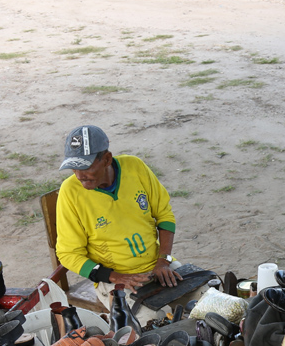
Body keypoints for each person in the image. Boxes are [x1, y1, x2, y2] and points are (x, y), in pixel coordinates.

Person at [54, 124, 188, 323]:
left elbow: (164, 215)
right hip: (114, 279)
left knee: (207, 298)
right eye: (74, 167)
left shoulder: (134, 167)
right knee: (154, 322)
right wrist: (116, 277)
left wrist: (164, 261)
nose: (79, 175)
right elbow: (68, 254)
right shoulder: (70, 192)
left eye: (86, 167)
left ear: (107, 159)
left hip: (157, 265)